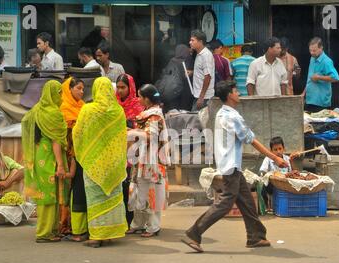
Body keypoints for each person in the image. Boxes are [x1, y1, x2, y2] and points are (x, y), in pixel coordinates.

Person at [181, 80, 289, 253]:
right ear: (230, 95)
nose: (238, 93)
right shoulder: (232, 117)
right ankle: (193, 233)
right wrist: (275, 158)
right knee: (224, 204)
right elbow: (251, 140)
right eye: (236, 90)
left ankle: (256, 236)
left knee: (247, 202)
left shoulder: (221, 114)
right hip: (231, 167)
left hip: (230, 166)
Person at [72, 77, 129, 248]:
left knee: (95, 198)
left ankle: (96, 237)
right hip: (112, 164)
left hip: (93, 163)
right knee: (111, 198)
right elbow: (122, 137)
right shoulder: (118, 111)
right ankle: (109, 234)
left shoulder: (88, 110)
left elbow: (78, 133)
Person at [22, 80, 68, 243]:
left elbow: (25, 123)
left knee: (46, 194)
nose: (61, 97)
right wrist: (60, 165)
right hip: (49, 155)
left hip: (38, 154)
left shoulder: (36, 109)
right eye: (59, 93)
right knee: (49, 195)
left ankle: (51, 230)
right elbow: (56, 140)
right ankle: (44, 233)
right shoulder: (53, 113)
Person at [126, 84, 170, 238]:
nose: (138, 99)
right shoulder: (147, 113)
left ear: (147, 99)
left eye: (140, 96)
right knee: (139, 191)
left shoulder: (154, 116)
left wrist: (132, 133)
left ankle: (153, 227)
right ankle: (137, 224)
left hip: (152, 161)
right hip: (143, 159)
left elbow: (151, 136)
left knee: (151, 192)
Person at [116, 74, 145, 227]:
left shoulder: (137, 106)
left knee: (130, 186)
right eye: (118, 87)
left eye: (123, 87)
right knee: (120, 187)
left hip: (133, 152)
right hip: (116, 152)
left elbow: (141, 128)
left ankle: (132, 221)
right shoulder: (113, 105)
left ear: (130, 88)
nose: (120, 91)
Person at [60, 77, 87, 239]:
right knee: (67, 190)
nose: (81, 92)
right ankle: (64, 224)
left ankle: (74, 225)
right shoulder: (64, 107)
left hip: (81, 154)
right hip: (68, 154)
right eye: (78, 88)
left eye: (83, 89)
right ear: (68, 89)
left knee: (78, 189)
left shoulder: (83, 106)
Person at [259, 136, 299, 211]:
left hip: (285, 185)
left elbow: (293, 172)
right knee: (263, 185)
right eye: (275, 149)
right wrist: (274, 175)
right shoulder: (268, 159)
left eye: (280, 149)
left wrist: (292, 162)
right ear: (271, 151)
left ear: (283, 149)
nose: (278, 151)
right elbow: (262, 172)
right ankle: (267, 205)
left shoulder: (287, 159)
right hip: (272, 185)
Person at [303, 37, 339, 113]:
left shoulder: (326, 61)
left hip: (321, 102)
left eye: (314, 50)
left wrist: (319, 77)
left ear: (321, 48)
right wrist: (304, 93)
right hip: (309, 99)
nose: (312, 52)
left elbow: (336, 78)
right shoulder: (312, 58)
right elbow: (309, 79)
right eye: (310, 50)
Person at [156, 44, 193, 112]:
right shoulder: (188, 61)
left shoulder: (172, 61)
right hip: (183, 94)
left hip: (170, 93)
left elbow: (164, 74)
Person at [189, 29, 215, 111]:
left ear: (200, 42)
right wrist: (192, 72)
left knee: (196, 121)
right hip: (198, 95)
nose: (190, 42)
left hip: (204, 98)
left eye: (193, 40)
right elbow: (204, 72)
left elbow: (208, 76)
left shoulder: (206, 55)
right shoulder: (199, 54)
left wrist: (201, 97)